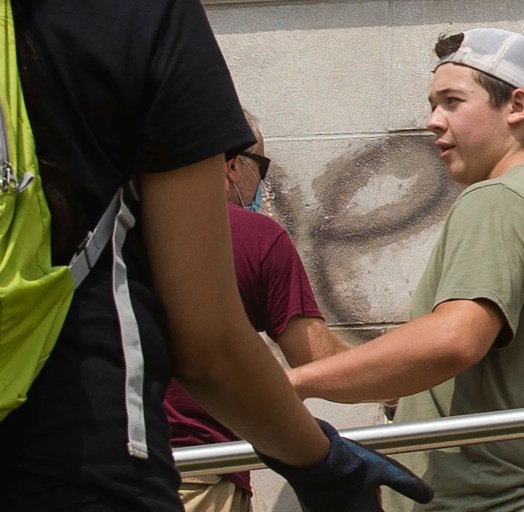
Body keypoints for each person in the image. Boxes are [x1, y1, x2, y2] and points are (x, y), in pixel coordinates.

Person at [0, 1, 431, 511]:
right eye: (259, 165)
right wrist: (326, 463)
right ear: (227, 163)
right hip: (94, 461)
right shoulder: (138, 18)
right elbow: (212, 353)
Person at [286, 28, 524, 511]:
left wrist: (297, 383)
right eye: (433, 104)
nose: (433, 121)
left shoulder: (500, 198)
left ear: (517, 106)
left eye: (452, 102)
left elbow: (455, 338)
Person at [164, 112, 351, 512]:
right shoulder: (255, 236)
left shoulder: (112, 229)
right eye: (260, 166)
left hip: (90, 469)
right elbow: (318, 358)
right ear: (230, 164)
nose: (263, 185)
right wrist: (408, 375)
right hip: (199, 477)